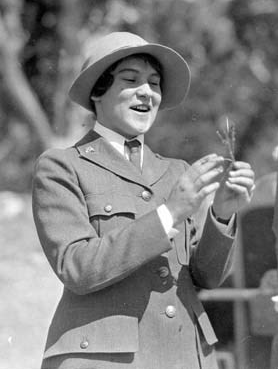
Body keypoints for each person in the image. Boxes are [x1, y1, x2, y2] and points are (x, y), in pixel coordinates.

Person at [32, 31, 255, 369]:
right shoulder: (61, 165)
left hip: (186, 357)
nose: (147, 92)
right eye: (131, 79)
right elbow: (76, 267)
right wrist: (170, 213)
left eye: (154, 83)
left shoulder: (176, 171)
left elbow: (206, 277)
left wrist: (222, 214)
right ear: (98, 92)